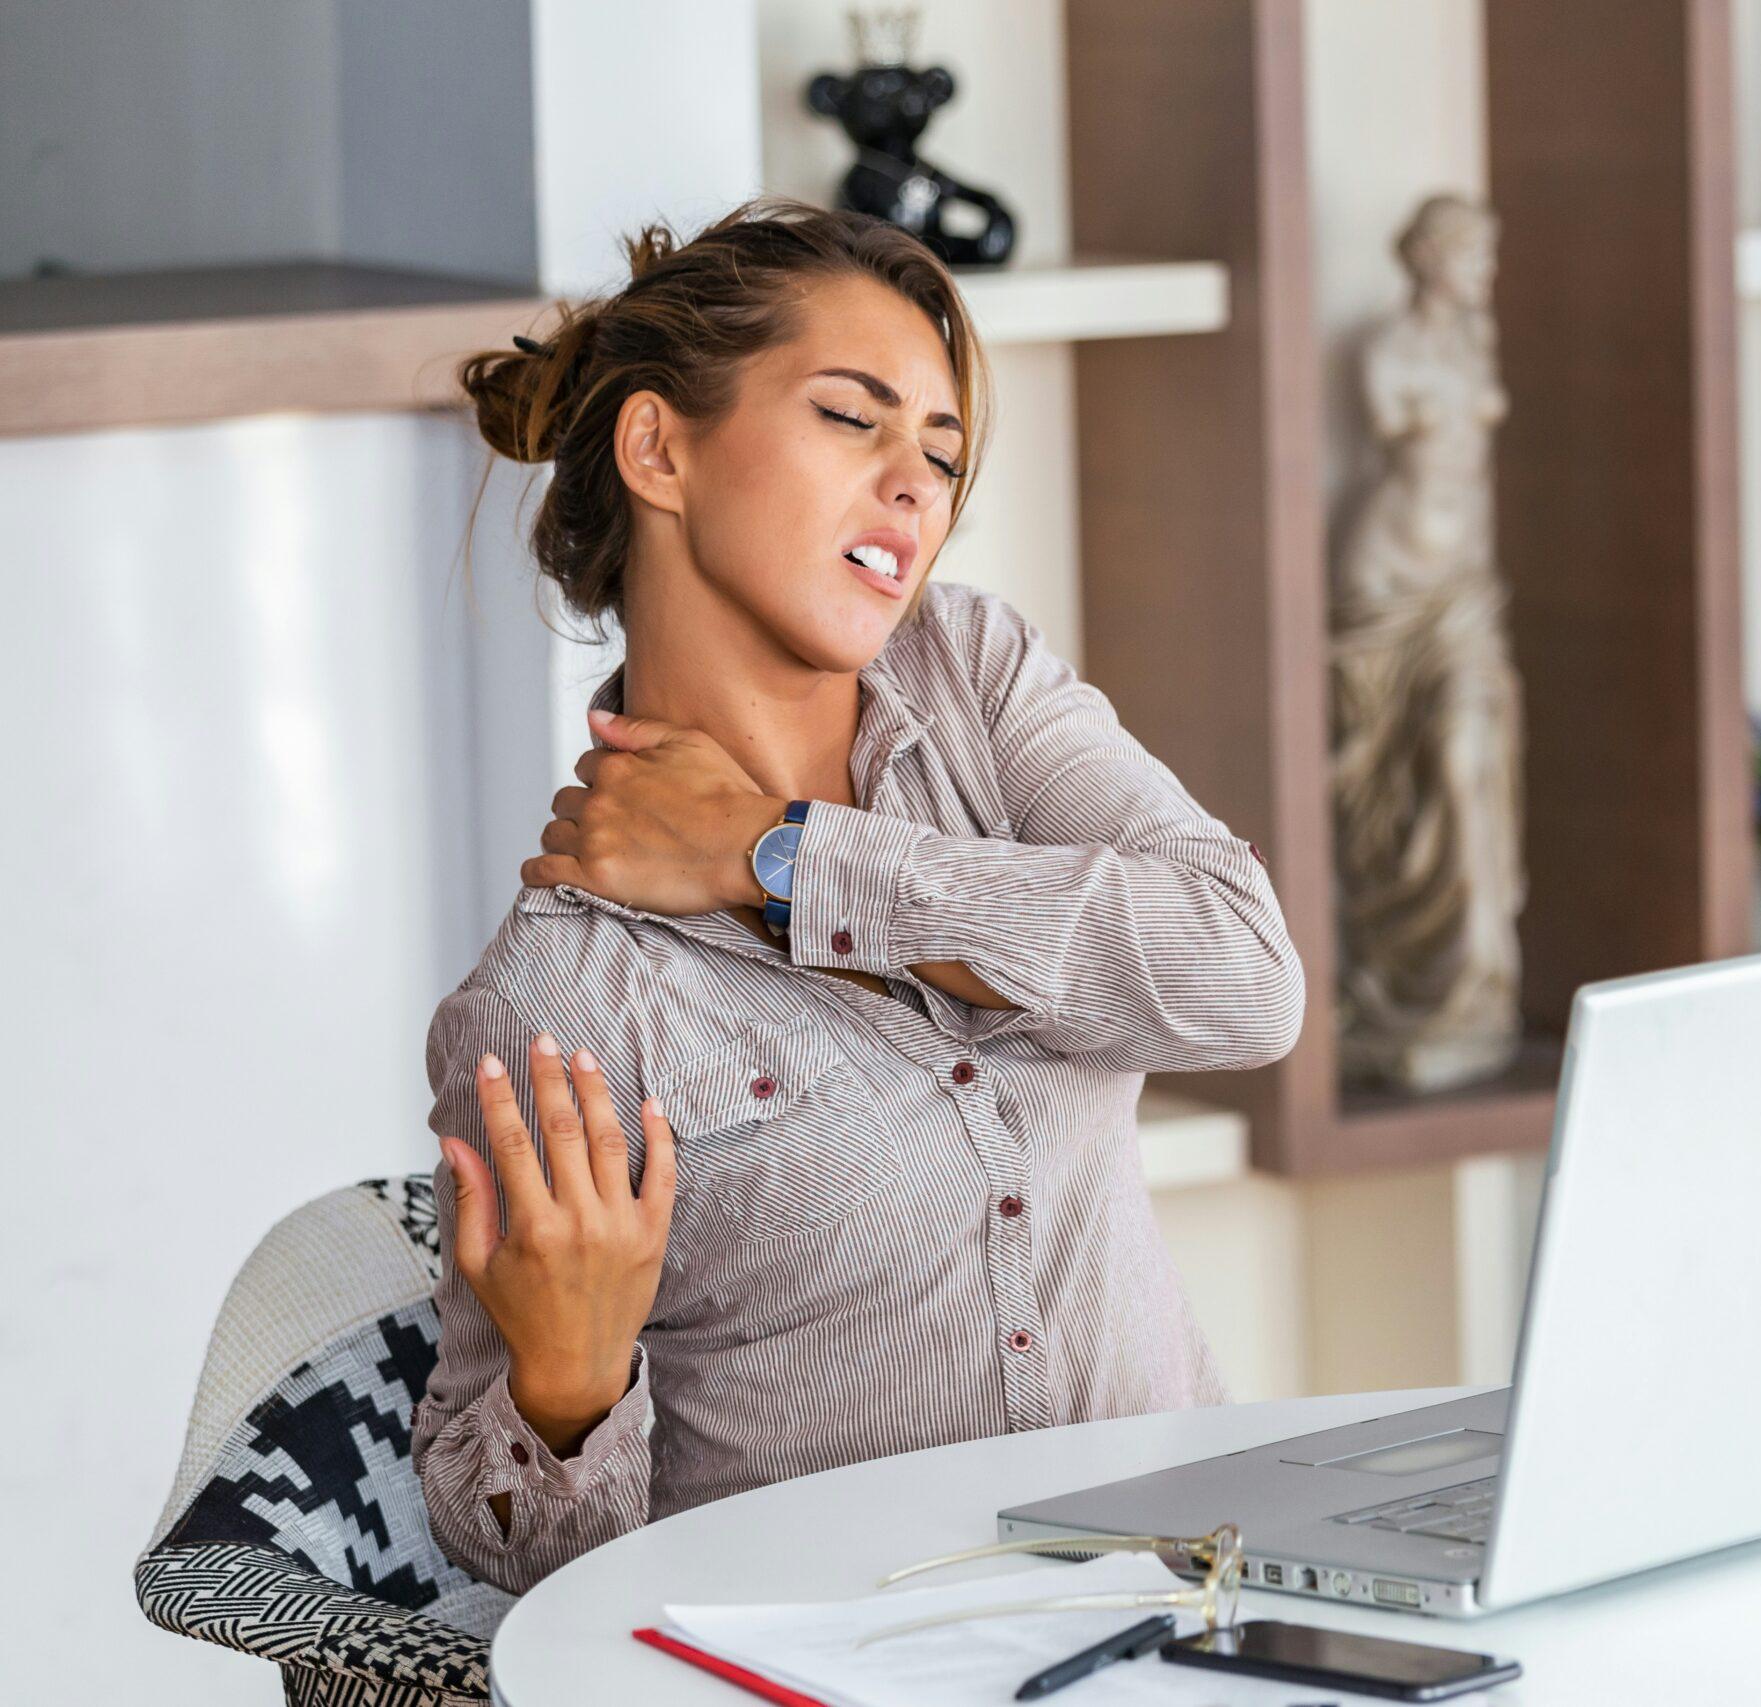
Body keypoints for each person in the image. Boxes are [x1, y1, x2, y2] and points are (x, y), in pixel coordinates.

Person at [411, 196, 1304, 1596]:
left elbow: (1246, 981)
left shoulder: (976, 683)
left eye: (942, 454)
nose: (917, 486)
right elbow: (533, 1589)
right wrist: (566, 1389)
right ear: (660, 448)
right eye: (853, 418)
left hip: (1195, 1609)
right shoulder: (555, 1004)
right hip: (860, 1665)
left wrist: (788, 854)